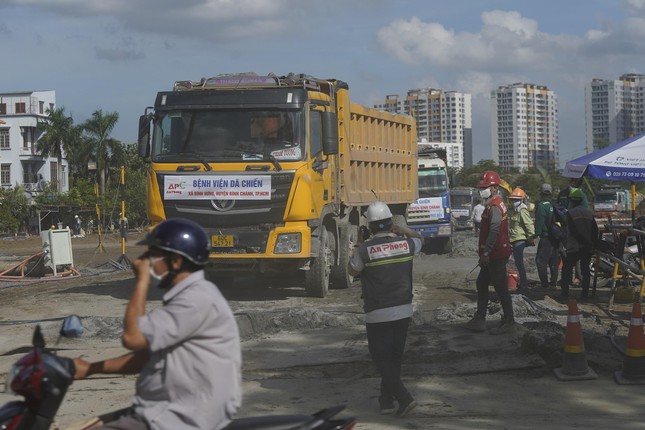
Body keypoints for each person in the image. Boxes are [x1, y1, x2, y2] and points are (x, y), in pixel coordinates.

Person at [73, 218, 242, 430]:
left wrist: (142, 280)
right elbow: (146, 356)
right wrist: (89, 368)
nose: (146, 261)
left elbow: (133, 339)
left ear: (176, 261)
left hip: (179, 416)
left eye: (152, 254)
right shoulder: (189, 297)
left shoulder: (196, 300)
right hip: (165, 409)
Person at [348, 201, 423, 418]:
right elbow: (421, 240)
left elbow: (352, 271)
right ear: (391, 223)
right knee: (394, 358)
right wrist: (405, 230)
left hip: (377, 313)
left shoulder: (365, 250)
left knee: (381, 360)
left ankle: (403, 397)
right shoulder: (407, 244)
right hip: (403, 310)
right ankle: (386, 400)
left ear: (370, 226)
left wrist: (359, 245)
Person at [464, 170, 515, 335]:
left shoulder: (495, 207)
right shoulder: (493, 204)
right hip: (494, 253)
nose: (482, 190)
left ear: (494, 188)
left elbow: (494, 230)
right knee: (481, 283)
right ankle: (480, 318)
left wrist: (486, 253)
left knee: (500, 288)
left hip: (496, 254)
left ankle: (509, 321)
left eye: (485, 187)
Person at [559, 188, 599, 301]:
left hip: (575, 247)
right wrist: (593, 245)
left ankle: (565, 293)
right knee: (585, 270)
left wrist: (565, 243)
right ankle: (585, 294)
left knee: (566, 268)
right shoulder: (589, 213)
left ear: (571, 200)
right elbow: (595, 231)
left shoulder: (570, 213)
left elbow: (568, 231)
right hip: (587, 246)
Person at [508, 187, 535, 293]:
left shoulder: (522, 210)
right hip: (514, 240)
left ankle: (524, 285)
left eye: (516, 200)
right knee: (517, 263)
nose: (514, 202)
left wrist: (531, 238)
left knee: (519, 263)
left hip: (519, 240)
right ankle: (521, 283)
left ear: (522, 200)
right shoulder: (515, 211)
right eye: (512, 199)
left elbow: (529, 225)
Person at [534, 183, 560, 289]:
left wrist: (535, 235)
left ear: (541, 192)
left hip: (546, 238)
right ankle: (553, 283)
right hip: (557, 238)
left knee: (541, 261)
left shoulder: (541, 205)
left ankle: (545, 284)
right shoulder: (554, 204)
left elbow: (539, 223)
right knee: (554, 261)